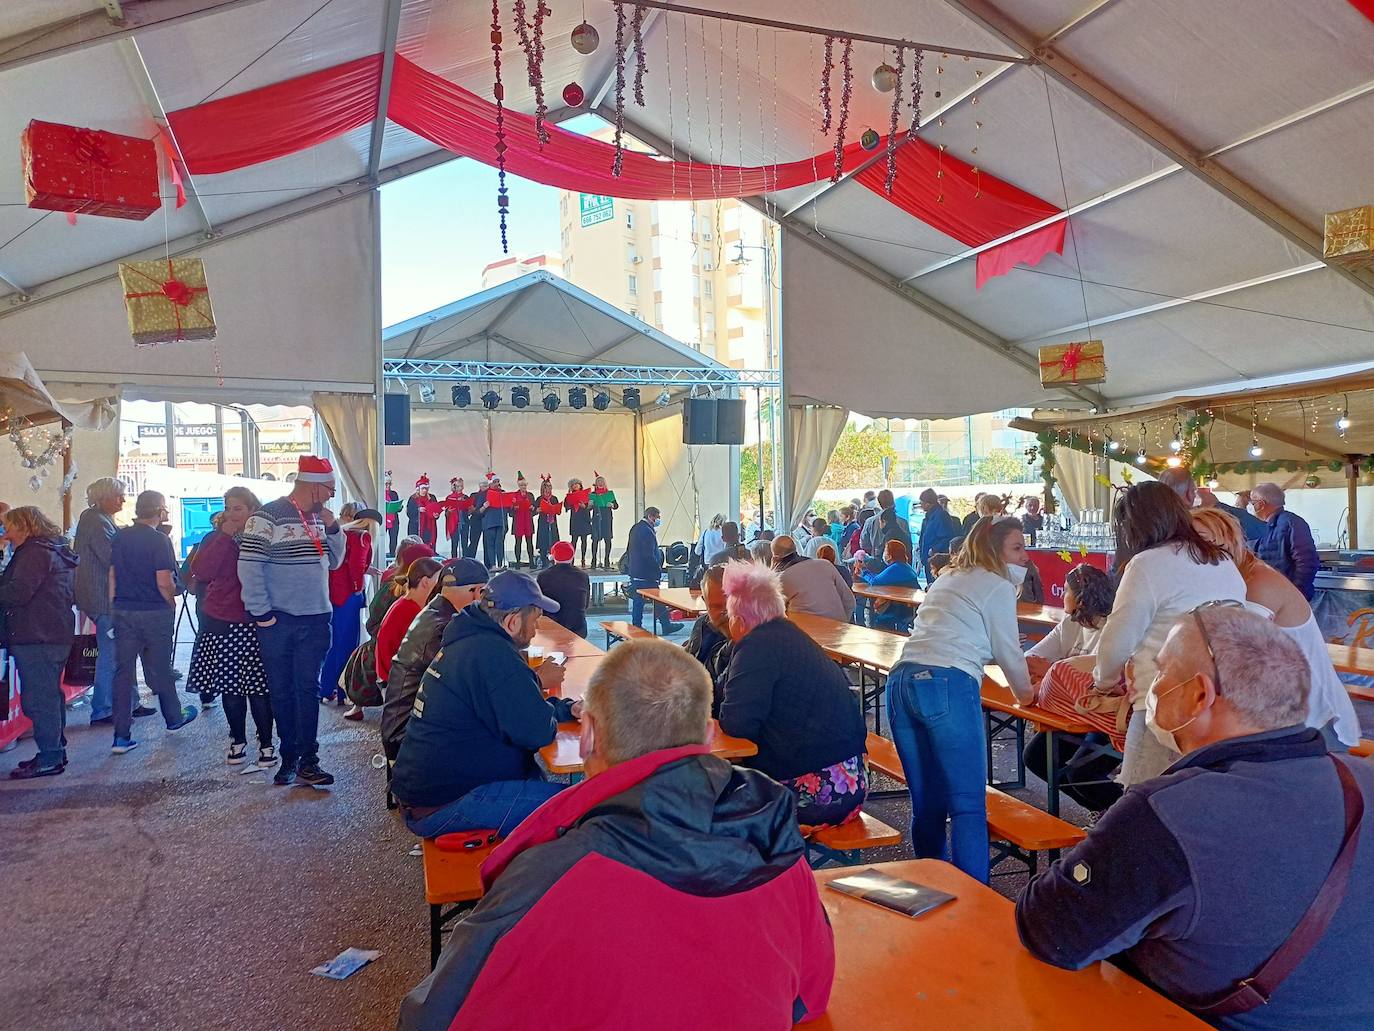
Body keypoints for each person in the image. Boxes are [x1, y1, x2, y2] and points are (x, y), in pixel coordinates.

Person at [398, 638, 835, 1030]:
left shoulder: (548, 877)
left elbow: (435, 1018)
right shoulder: (774, 838)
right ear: (705, 736)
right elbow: (811, 996)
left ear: (588, 733)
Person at [1017, 608, 1374, 1030]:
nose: (1149, 685)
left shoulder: (1169, 814)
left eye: (1162, 671)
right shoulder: (1362, 779)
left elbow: (1048, 929)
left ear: (1200, 696)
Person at [886, 516, 1033, 882]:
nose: (1026, 556)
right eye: (1017, 547)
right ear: (994, 551)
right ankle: (975, 906)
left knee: (928, 803)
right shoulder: (997, 585)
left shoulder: (949, 577)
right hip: (947, 682)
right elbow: (1008, 651)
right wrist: (1027, 697)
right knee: (967, 807)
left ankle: (933, 889)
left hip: (901, 681)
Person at [390, 571, 578, 837]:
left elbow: (518, 705)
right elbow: (536, 731)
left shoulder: (470, 641)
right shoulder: (494, 657)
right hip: (443, 806)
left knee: (540, 782)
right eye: (535, 619)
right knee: (581, 806)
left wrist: (565, 709)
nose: (536, 629)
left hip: (424, 795)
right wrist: (552, 710)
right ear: (513, 622)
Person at [1093, 481, 1246, 787]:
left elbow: (1118, 638)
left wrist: (1103, 681)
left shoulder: (1147, 564)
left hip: (1164, 701)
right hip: (1220, 702)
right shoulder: (1222, 560)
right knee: (1197, 800)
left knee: (1141, 802)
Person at [1192, 507, 1359, 748]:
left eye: (1207, 544)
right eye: (1192, 547)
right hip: (1290, 716)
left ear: (1231, 542)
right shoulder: (1237, 580)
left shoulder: (1258, 583)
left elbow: (1231, 660)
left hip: (1317, 723)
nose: (1199, 555)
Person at [718, 561, 868, 828]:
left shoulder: (756, 647)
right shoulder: (794, 636)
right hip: (852, 780)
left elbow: (737, 724)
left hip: (816, 794)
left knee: (709, 802)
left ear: (740, 621)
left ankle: (766, 868)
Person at [238, 455, 346, 787]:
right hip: (279, 622)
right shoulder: (265, 516)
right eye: (327, 489)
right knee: (282, 691)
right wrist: (263, 615)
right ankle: (289, 757)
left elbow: (336, 562)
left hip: (315, 618)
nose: (330, 496)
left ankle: (308, 760)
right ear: (312, 487)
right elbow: (249, 567)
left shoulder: (319, 518)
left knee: (307, 689)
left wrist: (333, 528)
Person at [1022, 563, 1122, 812]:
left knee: (1081, 774)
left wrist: (1053, 671)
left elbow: (1098, 683)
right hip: (1074, 711)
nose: (1062, 595)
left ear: (1081, 596)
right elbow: (1032, 658)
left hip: (1108, 718)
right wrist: (1056, 672)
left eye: (1066, 590)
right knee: (1036, 759)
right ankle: (1103, 812)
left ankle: (1126, 817)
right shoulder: (1071, 623)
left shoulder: (1113, 628)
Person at [187, 487, 274, 767]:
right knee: (230, 686)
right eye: (228, 507)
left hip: (256, 619)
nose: (232, 513)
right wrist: (224, 537)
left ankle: (267, 743)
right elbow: (202, 571)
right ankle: (237, 739)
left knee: (260, 688)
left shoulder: (263, 537)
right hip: (223, 620)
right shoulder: (214, 538)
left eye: (238, 508)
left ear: (252, 510)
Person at [110, 491, 199, 755]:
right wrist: (170, 605)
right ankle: (173, 717)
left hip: (124, 609)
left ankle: (121, 736)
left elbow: (112, 576)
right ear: (159, 511)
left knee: (123, 673)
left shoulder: (119, 537)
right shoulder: (159, 540)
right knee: (161, 668)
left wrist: (113, 606)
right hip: (154, 612)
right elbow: (163, 581)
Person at [380, 558, 489, 768]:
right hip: (408, 736)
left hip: (402, 723)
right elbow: (468, 685)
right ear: (477, 592)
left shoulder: (436, 611)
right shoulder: (445, 628)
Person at [2, 507, 78, 778]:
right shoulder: (53, 549)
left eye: (8, 526)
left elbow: (18, 592)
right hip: (51, 632)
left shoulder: (34, 553)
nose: (6, 533)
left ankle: (50, 757)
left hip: (37, 634)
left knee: (39, 699)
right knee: (49, 696)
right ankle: (55, 750)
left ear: (24, 526)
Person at [73, 476, 125, 726]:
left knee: (118, 651)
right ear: (103, 498)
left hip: (101, 595)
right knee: (110, 653)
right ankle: (103, 708)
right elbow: (111, 556)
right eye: (118, 495)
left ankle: (127, 703)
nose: (122, 500)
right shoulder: (96, 521)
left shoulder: (99, 519)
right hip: (103, 597)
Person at [320, 503, 373, 705]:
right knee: (347, 644)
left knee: (332, 643)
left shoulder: (338, 535)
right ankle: (344, 691)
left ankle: (326, 687)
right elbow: (356, 567)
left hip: (331, 594)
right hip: (349, 597)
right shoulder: (362, 537)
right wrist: (358, 588)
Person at [375, 556, 443, 686]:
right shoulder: (410, 611)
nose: (440, 584)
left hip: (391, 675)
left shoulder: (406, 603)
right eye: (438, 579)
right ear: (425, 582)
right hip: (397, 680)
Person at [1249, 482, 1320, 600]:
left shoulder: (1292, 523)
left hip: (1288, 597)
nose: (1250, 506)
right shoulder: (1257, 526)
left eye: (1252, 502)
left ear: (1261, 504)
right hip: (1265, 594)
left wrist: (1295, 593)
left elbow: (1307, 562)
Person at [772, 534, 855, 624]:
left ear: (775, 559)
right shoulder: (825, 565)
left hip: (806, 633)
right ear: (796, 549)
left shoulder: (782, 579)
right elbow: (850, 600)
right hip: (839, 630)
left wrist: (773, 570)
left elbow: (772, 613)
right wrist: (842, 624)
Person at [627, 506, 683, 635]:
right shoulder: (646, 531)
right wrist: (657, 567)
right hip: (646, 573)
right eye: (657, 517)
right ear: (651, 517)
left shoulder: (636, 528)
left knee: (639, 600)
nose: (658, 520)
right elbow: (649, 553)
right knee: (656, 598)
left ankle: (639, 625)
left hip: (637, 570)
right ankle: (664, 624)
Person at [682, 562, 732, 706]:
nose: (726, 613)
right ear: (704, 601)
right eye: (716, 606)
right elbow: (691, 656)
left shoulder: (745, 636)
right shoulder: (702, 623)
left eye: (730, 604)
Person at [859, 538, 921, 632]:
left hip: (898, 610)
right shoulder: (905, 566)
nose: (884, 553)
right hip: (907, 609)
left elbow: (875, 582)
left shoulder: (896, 568)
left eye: (885, 550)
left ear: (891, 554)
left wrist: (863, 571)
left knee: (878, 619)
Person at [536, 540, 589, 638]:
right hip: (578, 628)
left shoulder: (543, 576)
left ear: (553, 557)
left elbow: (539, 604)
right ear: (572, 556)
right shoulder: (583, 576)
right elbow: (586, 605)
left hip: (550, 628)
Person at [916, 487, 960, 582]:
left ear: (928, 503)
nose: (921, 505)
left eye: (922, 503)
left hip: (937, 561)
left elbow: (947, 537)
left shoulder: (941, 516)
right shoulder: (928, 518)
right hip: (928, 560)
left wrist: (934, 549)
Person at [859, 489, 911, 561]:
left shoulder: (870, 522)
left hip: (877, 562)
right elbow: (908, 546)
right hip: (899, 562)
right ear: (893, 501)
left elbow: (864, 544)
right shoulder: (903, 522)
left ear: (879, 503)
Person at [477, 473, 508, 569]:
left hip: (500, 521)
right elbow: (478, 511)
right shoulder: (484, 494)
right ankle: (493, 565)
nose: (497, 484)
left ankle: (500, 564)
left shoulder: (503, 493)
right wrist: (484, 506)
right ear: (490, 484)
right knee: (490, 544)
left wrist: (512, 502)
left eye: (498, 481)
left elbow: (508, 508)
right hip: (489, 522)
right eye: (495, 482)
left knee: (500, 544)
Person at [588, 473, 619, 569]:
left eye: (602, 481)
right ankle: (593, 560)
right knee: (595, 539)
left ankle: (607, 559)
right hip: (597, 518)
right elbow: (588, 509)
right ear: (596, 484)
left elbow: (616, 506)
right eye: (598, 482)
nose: (600, 483)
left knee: (608, 539)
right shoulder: (593, 494)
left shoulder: (609, 493)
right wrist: (589, 505)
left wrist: (612, 505)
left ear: (604, 483)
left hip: (607, 518)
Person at [533, 475, 561, 569]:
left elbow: (558, 511)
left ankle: (554, 562)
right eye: (545, 486)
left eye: (549, 486)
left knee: (553, 541)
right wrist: (538, 510)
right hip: (543, 523)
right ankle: (544, 562)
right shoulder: (539, 499)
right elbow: (534, 512)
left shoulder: (554, 498)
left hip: (552, 523)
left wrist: (556, 509)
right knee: (543, 542)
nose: (547, 488)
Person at [509, 472, 537, 568]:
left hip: (528, 521)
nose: (523, 486)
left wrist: (533, 508)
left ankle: (531, 561)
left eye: (524, 485)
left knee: (529, 542)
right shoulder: (514, 495)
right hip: (518, 521)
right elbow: (510, 511)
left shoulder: (530, 495)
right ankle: (517, 561)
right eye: (521, 485)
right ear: (518, 485)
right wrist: (514, 508)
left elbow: (535, 509)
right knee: (518, 542)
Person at [564, 477, 592, 566]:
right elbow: (566, 507)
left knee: (584, 540)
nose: (575, 485)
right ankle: (571, 559)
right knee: (574, 541)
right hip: (575, 520)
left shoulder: (586, 494)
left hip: (584, 519)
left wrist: (584, 506)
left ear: (580, 485)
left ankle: (583, 559)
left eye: (577, 484)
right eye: (573, 484)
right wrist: (569, 500)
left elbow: (590, 507)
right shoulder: (569, 495)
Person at [407, 474, 438, 550]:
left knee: (429, 543)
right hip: (416, 525)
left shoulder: (432, 498)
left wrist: (436, 515)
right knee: (416, 545)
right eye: (423, 488)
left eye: (426, 488)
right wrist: (418, 510)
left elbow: (436, 509)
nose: (425, 490)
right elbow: (409, 513)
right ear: (418, 489)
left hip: (429, 525)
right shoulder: (413, 498)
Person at [443, 477, 469, 560]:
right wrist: (449, 511)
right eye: (458, 486)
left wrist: (470, 509)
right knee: (454, 544)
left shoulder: (465, 497)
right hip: (454, 523)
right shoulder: (449, 498)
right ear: (454, 487)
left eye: (461, 486)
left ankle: (466, 561)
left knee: (465, 544)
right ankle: (453, 562)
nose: (460, 488)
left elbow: (469, 512)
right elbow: (446, 514)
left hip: (464, 522)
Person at [384, 471, 401, 557]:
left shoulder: (394, 494)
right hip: (383, 520)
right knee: (381, 539)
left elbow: (397, 504)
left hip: (394, 519)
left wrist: (399, 508)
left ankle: (392, 554)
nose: (388, 486)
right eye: (386, 484)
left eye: (389, 484)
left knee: (393, 538)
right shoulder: (380, 494)